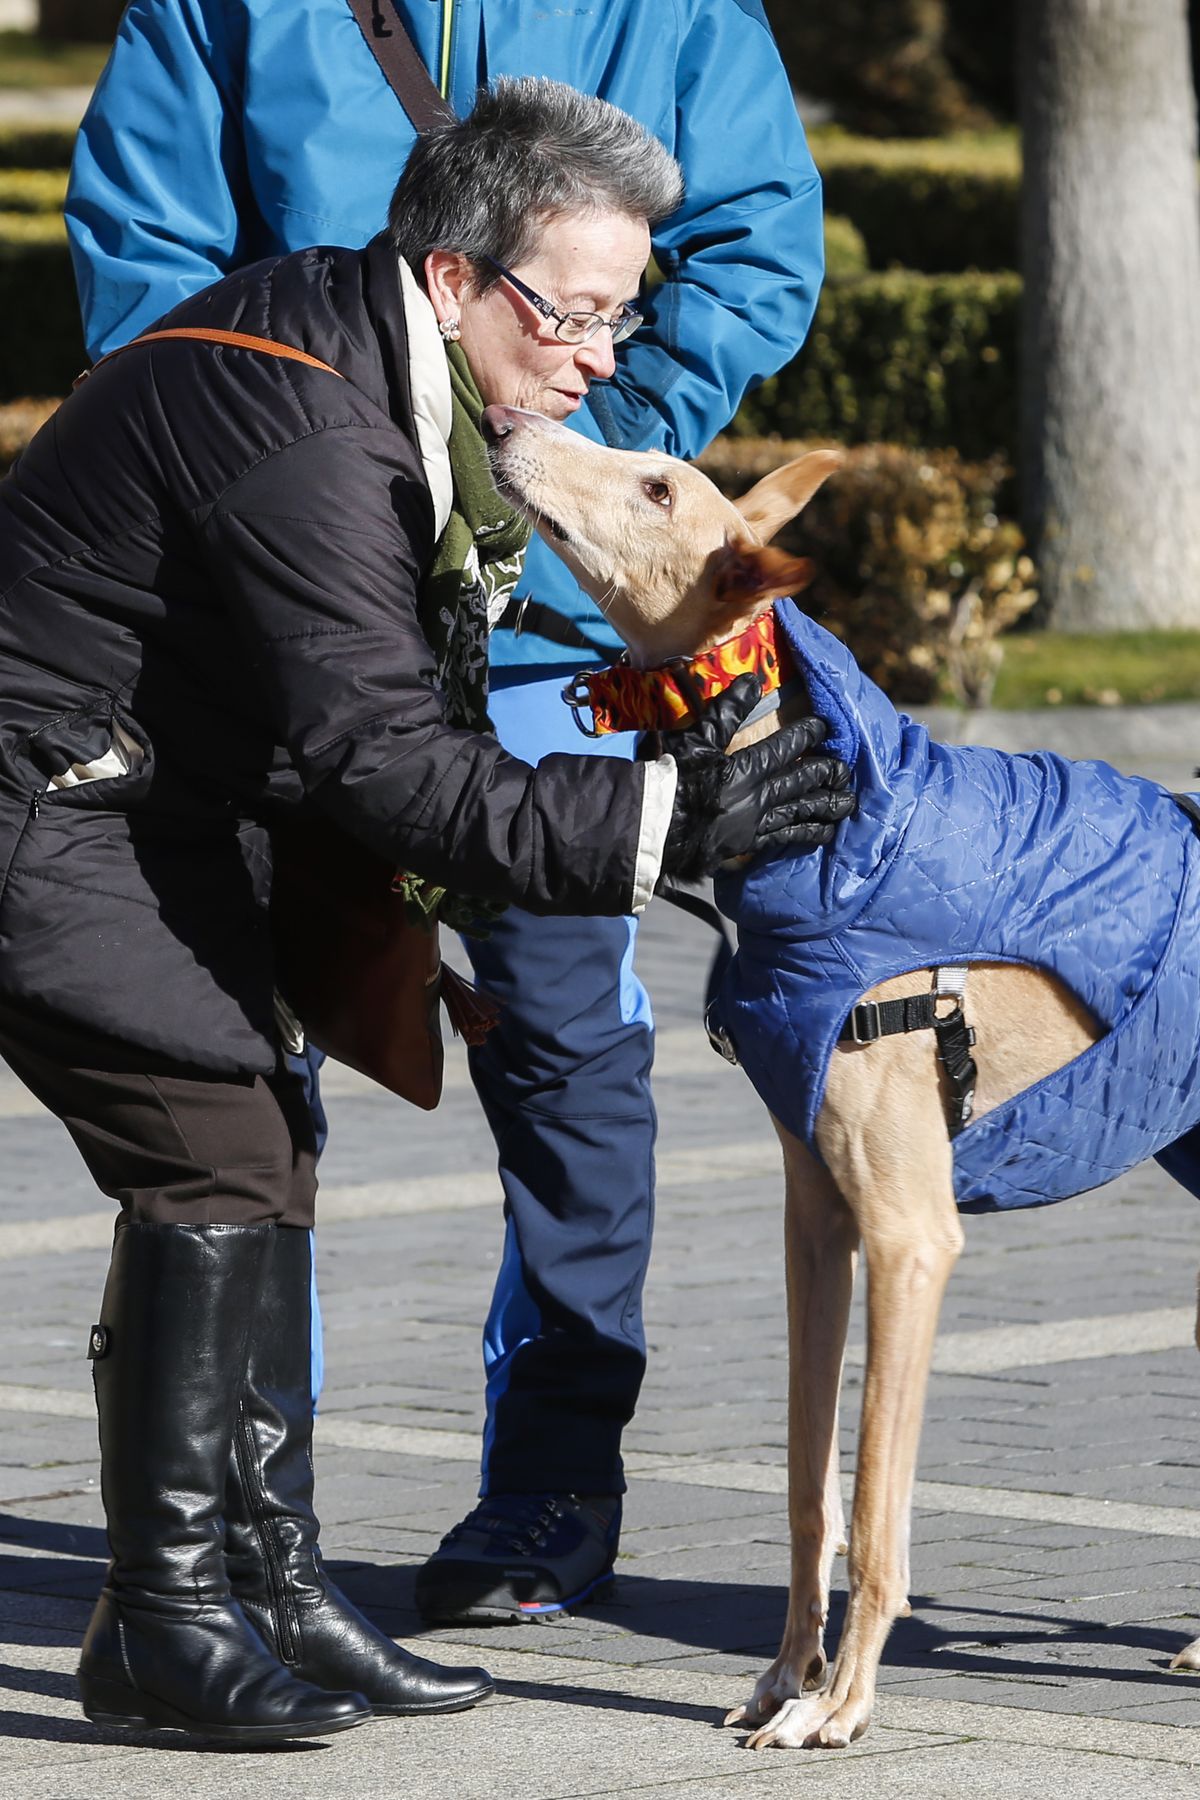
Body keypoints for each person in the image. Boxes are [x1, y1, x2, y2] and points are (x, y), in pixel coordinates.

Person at [1, 79, 850, 1743]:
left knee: (267, 1141)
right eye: (578, 311)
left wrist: (411, 933)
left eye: (625, 314)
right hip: (46, 804)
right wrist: (674, 816)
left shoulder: (371, 358)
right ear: (456, 277)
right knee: (213, 1147)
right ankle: (164, 1618)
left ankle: (274, 1582)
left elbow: (371, 733)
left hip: (141, 798)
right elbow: (380, 756)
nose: (604, 355)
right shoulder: (318, 428)